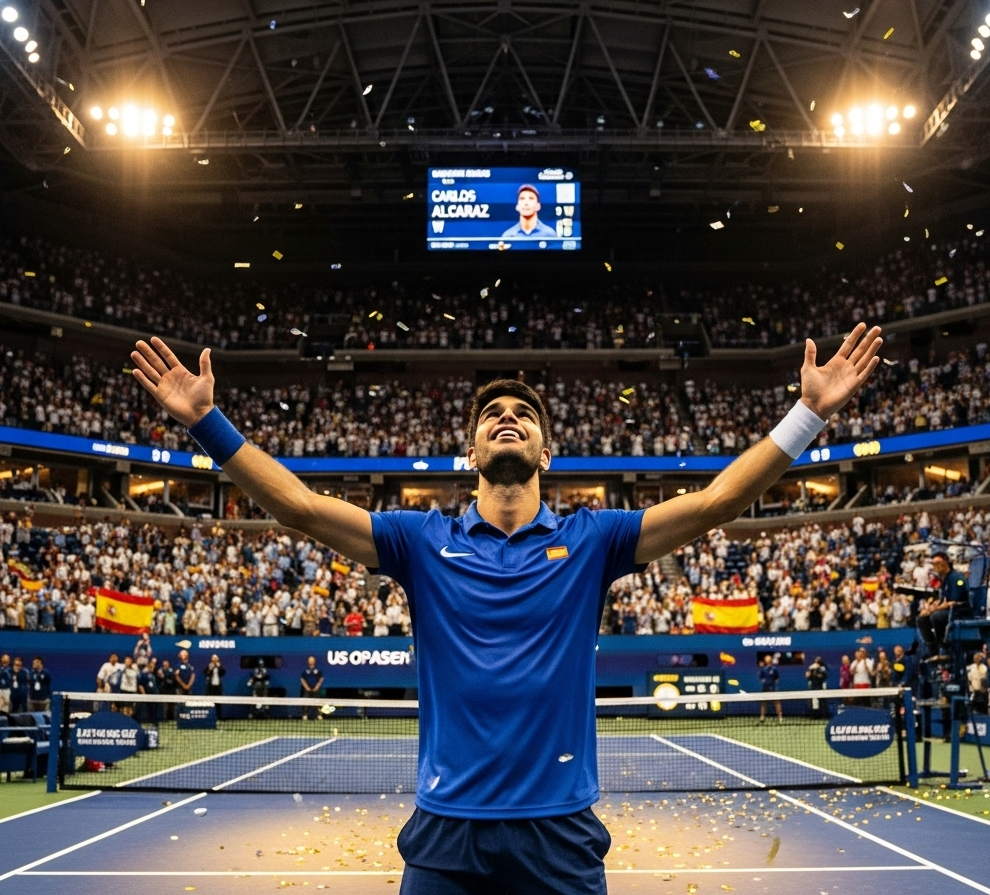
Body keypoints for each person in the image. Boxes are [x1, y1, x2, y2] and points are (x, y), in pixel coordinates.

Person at [130, 322, 881, 895]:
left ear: (548, 455)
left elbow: (717, 499)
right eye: (493, 412)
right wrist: (207, 423)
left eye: (524, 411)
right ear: (472, 453)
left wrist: (807, 416)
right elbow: (298, 506)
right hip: (445, 837)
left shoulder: (595, 539)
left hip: (560, 834)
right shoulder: (418, 540)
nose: (508, 416)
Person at [918, 551, 970, 659]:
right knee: (921, 619)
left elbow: (954, 601)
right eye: (933, 564)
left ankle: (944, 647)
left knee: (936, 617)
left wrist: (934, 610)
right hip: (948, 610)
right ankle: (933, 651)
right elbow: (942, 600)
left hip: (959, 611)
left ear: (945, 563)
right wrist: (930, 608)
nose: (935, 567)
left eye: (937, 563)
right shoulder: (944, 580)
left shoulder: (957, 578)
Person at [758, 654, 782, 723]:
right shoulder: (763, 669)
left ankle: (780, 717)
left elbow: (777, 678)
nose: (767, 660)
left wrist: (773, 683)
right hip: (765, 688)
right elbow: (760, 677)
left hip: (773, 688)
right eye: (766, 659)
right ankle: (762, 717)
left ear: (770, 660)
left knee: (777, 702)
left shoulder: (774, 669)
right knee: (763, 703)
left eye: (768, 658)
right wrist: (764, 681)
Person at [300, 655, 323, 719]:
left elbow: (321, 679)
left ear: (314, 661)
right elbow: (302, 679)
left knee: (317, 701)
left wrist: (317, 687)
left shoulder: (318, 670)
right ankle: (305, 714)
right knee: (305, 701)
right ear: (308, 661)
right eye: (310, 660)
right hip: (307, 689)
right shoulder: (305, 671)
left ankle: (318, 714)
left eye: (312, 660)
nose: (311, 661)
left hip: (316, 688)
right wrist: (307, 687)